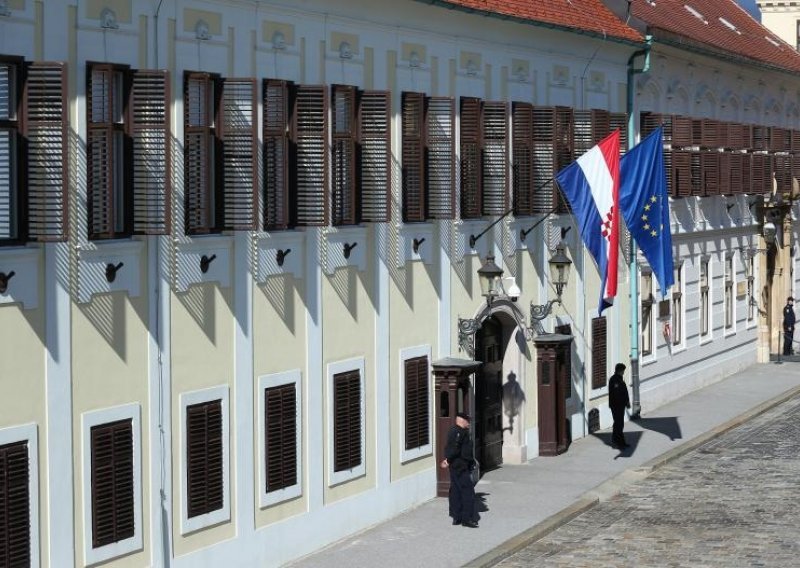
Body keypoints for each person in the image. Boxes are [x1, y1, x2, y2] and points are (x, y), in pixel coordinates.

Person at [440, 412, 478, 528]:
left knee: (456, 491)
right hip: (460, 466)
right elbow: (455, 449)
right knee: (467, 492)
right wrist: (448, 460)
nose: (469, 423)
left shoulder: (457, 431)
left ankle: (457, 517)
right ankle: (466, 519)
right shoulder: (458, 432)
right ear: (462, 420)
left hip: (457, 466)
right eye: (467, 420)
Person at [608, 363, 630, 448]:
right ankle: (619, 442)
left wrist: (627, 403)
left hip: (620, 406)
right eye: (623, 371)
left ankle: (616, 439)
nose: (624, 372)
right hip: (616, 406)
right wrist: (623, 403)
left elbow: (624, 392)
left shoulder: (619, 379)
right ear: (619, 371)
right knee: (619, 424)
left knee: (618, 423)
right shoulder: (614, 380)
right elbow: (617, 394)